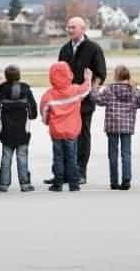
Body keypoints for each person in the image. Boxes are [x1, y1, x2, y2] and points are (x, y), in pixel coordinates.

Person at [51, 17, 106, 185]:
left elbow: (101, 73)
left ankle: (81, 172)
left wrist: (93, 90)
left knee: (82, 136)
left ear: (83, 29)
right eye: (68, 27)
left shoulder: (93, 48)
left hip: (85, 101)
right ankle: (63, 173)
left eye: (73, 27)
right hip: (66, 101)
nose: (69, 30)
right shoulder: (65, 49)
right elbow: (59, 73)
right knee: (64, 136)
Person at [90, 65, 140, 190]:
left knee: (113, 154)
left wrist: (94, 88)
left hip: (112, 125)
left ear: (116, 76)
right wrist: (135, 89)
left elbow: (97, 100)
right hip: (127, 126)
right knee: (126, 154)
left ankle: (114, 181)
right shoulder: (132, 90)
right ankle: (126, 179)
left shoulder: (110, 89)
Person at [40, 63, 92, 192]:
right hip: (72, 131)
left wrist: (47, 122)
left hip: (56, 132)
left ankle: (58, 183)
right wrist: (88, 78)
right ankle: (74, 183)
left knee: (58, 157)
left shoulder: (48, 95)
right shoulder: (74, 90)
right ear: (69, 74)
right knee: (72, 157)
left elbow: (44, 111)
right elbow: (86, 89)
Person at [0, 65, 37, 192]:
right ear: (19, 75)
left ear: (6, 76)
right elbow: (33, 112)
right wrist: (30, 115)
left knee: (6, 157)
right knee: (22, 157)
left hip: (7, 131)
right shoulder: (26, 90)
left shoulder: (3, 91)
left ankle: (3, 184)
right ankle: (25, 184)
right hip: (22, 130)